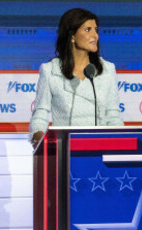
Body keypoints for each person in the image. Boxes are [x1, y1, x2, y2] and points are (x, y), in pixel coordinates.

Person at [29, 8, 123, 147]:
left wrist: (119, 143)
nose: (95, 35)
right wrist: (38, 136)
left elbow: (113, 116)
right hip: (65, 149)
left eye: (96, 30)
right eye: (88, 30)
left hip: (101, 148)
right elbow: (40, 115)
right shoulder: (51, 71)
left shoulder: (107, 70)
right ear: (72, 36)